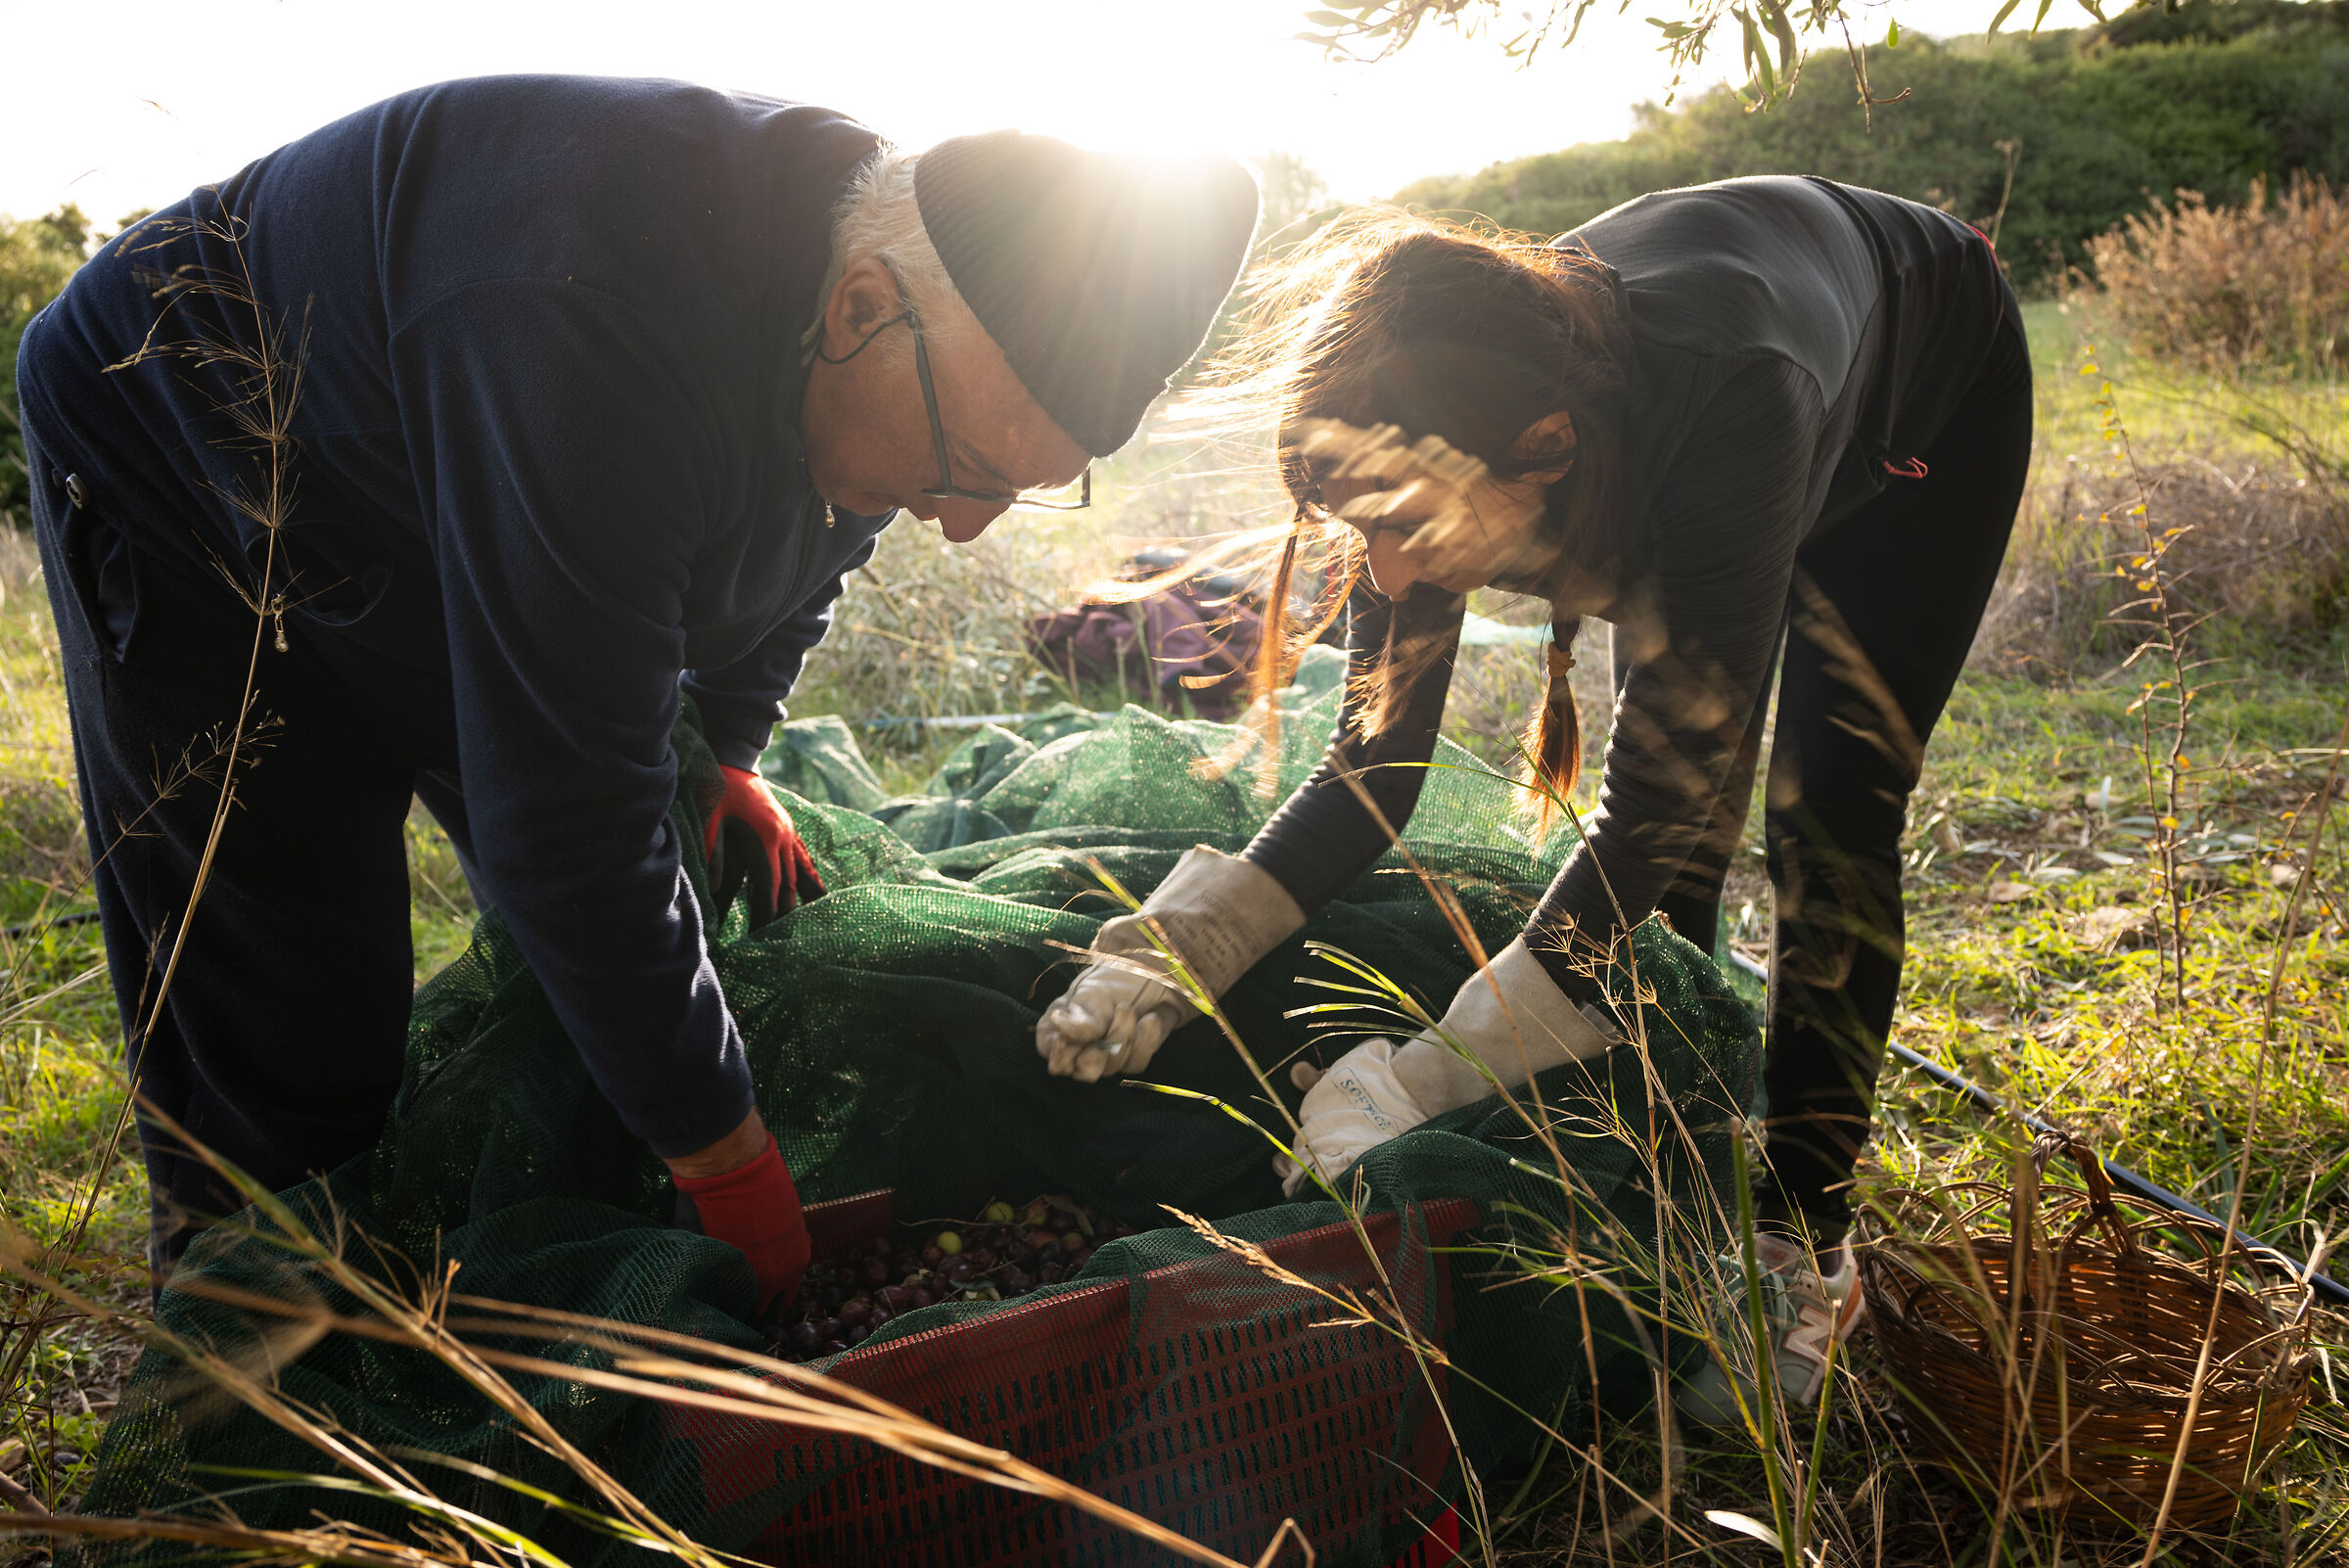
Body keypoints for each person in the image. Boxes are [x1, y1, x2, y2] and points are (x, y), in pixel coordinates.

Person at [19, 74, 1257, 1308]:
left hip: (451, 461)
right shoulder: (591, 314)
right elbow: (564, 824)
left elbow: (819, 531)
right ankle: (249, 1406)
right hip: (199, 462)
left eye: (1026, 487)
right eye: (969, 466)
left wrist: (723, 747)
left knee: (641, 894)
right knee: (295, 1012)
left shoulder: (873, 302)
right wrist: (728, 1165)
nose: (970, 527)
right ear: (863, 307)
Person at [1035, 177, 2029, 1416]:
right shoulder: (1432, 418)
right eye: (1360, 529)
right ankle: (1670, 1161)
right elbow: (1375, 769)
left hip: (1914, 396)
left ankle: (1796, 1234)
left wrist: (1433, 1073)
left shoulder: (1721, 408)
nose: (1384, 571)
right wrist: (1193, 943)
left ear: (1548, 454)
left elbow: (1654, 803)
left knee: (1820, 819)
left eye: (1402, 530)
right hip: (1697, 404)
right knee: (1683, 868)